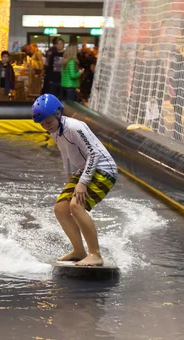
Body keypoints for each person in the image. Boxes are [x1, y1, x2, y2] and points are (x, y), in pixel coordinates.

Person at [31, 94, 118, 266]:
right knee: (60, 208)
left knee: (76, 206)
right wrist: (70, 177)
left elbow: (94, 153)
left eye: (48, 122)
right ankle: (79, 251)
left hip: (104, 170)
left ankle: (95, 254)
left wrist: (82, 183)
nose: (46, 127)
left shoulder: (75, 127)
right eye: (42, 124)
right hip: (84, 170)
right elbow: (65, 154)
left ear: (58, 113)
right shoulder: (55, 131)